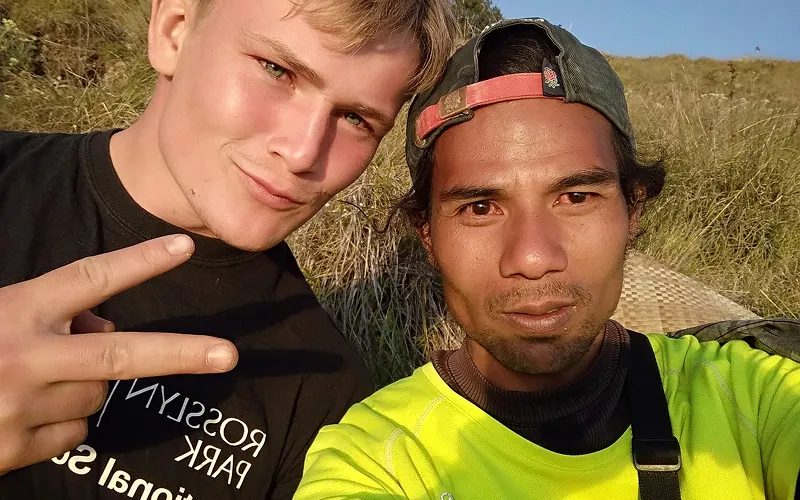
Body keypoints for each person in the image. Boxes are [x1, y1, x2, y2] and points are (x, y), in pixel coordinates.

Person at [292, 18, 800, 500]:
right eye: (481, 207)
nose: (533, 258)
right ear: (427, 234)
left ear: (633, 208)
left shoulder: (753, 397)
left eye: (576, 197)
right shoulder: (377, 457)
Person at [0, 0, 456, 498]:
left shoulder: (324, 393)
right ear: (173, 32)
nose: (303, 152)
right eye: (276, 70)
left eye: (355, 119)